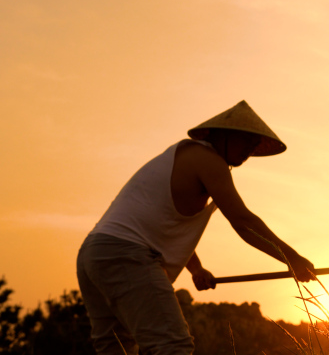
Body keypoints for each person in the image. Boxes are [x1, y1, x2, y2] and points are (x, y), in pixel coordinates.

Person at [76, 100, 316, 355]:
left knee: (116, 348)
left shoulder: (186, 158)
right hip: (126, 255)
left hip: (94, 254)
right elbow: (244, 222)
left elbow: (162, 225)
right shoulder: (208, 160)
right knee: (172, 346)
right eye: (247, 139)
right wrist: (292, 258)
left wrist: (197, 268)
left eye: (255, 143)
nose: (252, 148)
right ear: (222, 134)